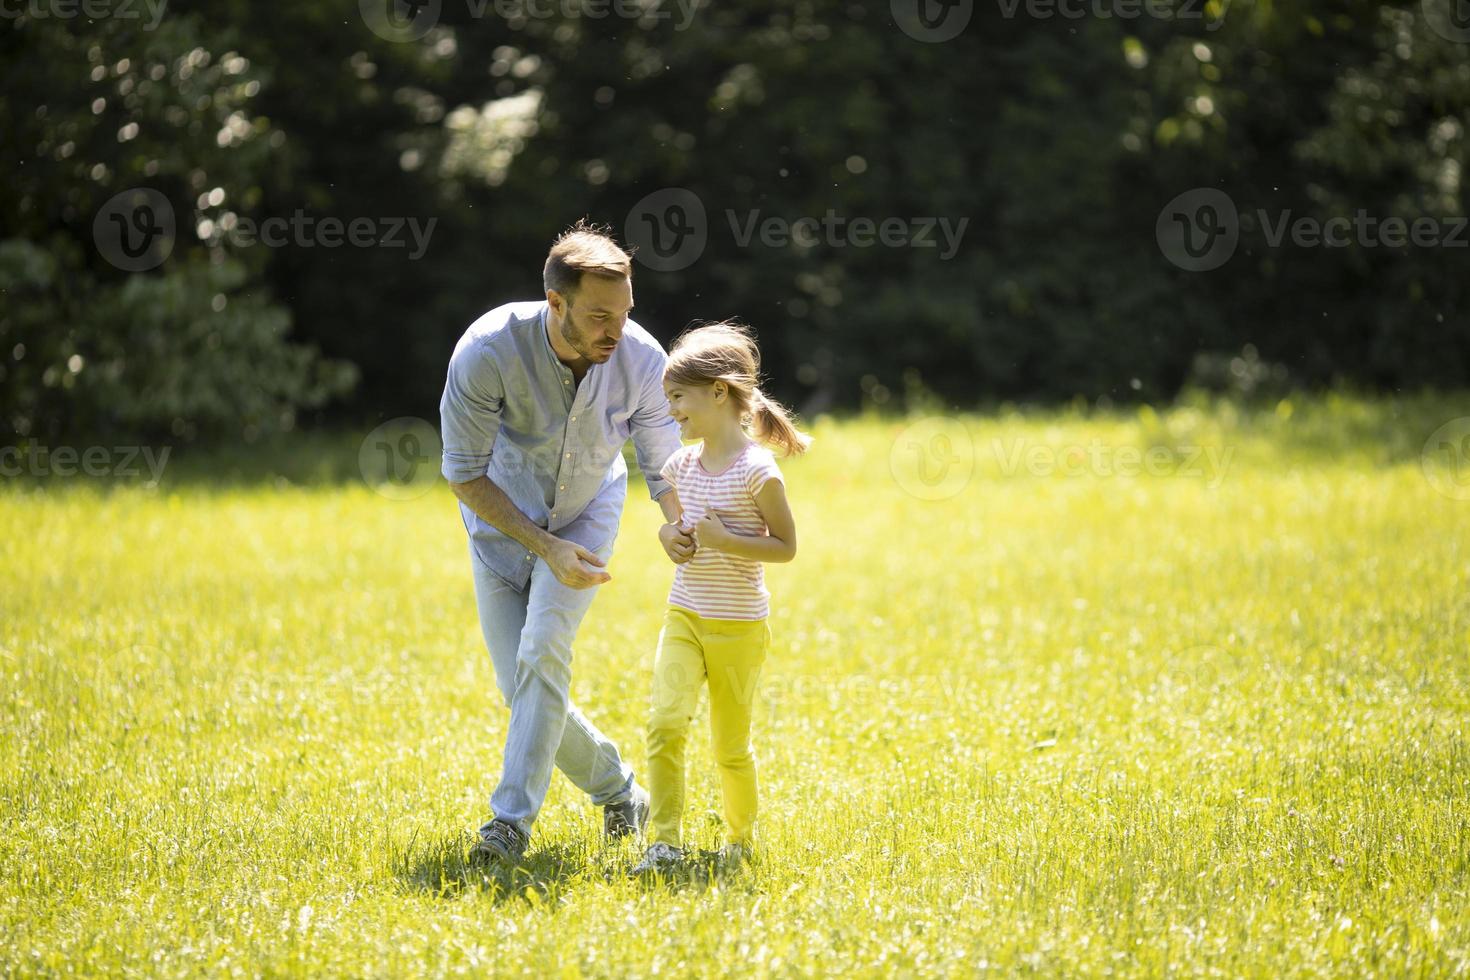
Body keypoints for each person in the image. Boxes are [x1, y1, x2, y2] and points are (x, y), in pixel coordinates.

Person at [440, 221, 697, 864]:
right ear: (556, 303)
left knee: (544, 646)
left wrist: (672, 517)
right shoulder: (487, 351)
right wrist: (538, 543)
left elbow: (663, 462)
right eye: (600, 315)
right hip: (500, 525)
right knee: (520, 682)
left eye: (626, 312)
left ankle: (508, 826)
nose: (618, 330)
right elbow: (463, 473)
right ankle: (621, 791)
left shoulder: (640, 359)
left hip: (585, 516)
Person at [631, 321, 810, 876]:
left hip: (738, 628)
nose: (672, 410)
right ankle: (663, 843)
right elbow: (680, 530)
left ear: (718, 392)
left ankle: (740, 842)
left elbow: (786, 548)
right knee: (664, 724)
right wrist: (671, 537)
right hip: (684, 614)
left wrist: (726, 539)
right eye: (667, 400)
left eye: (678, 398)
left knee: (730, 747)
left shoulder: (759, 472)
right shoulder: (679, 466)